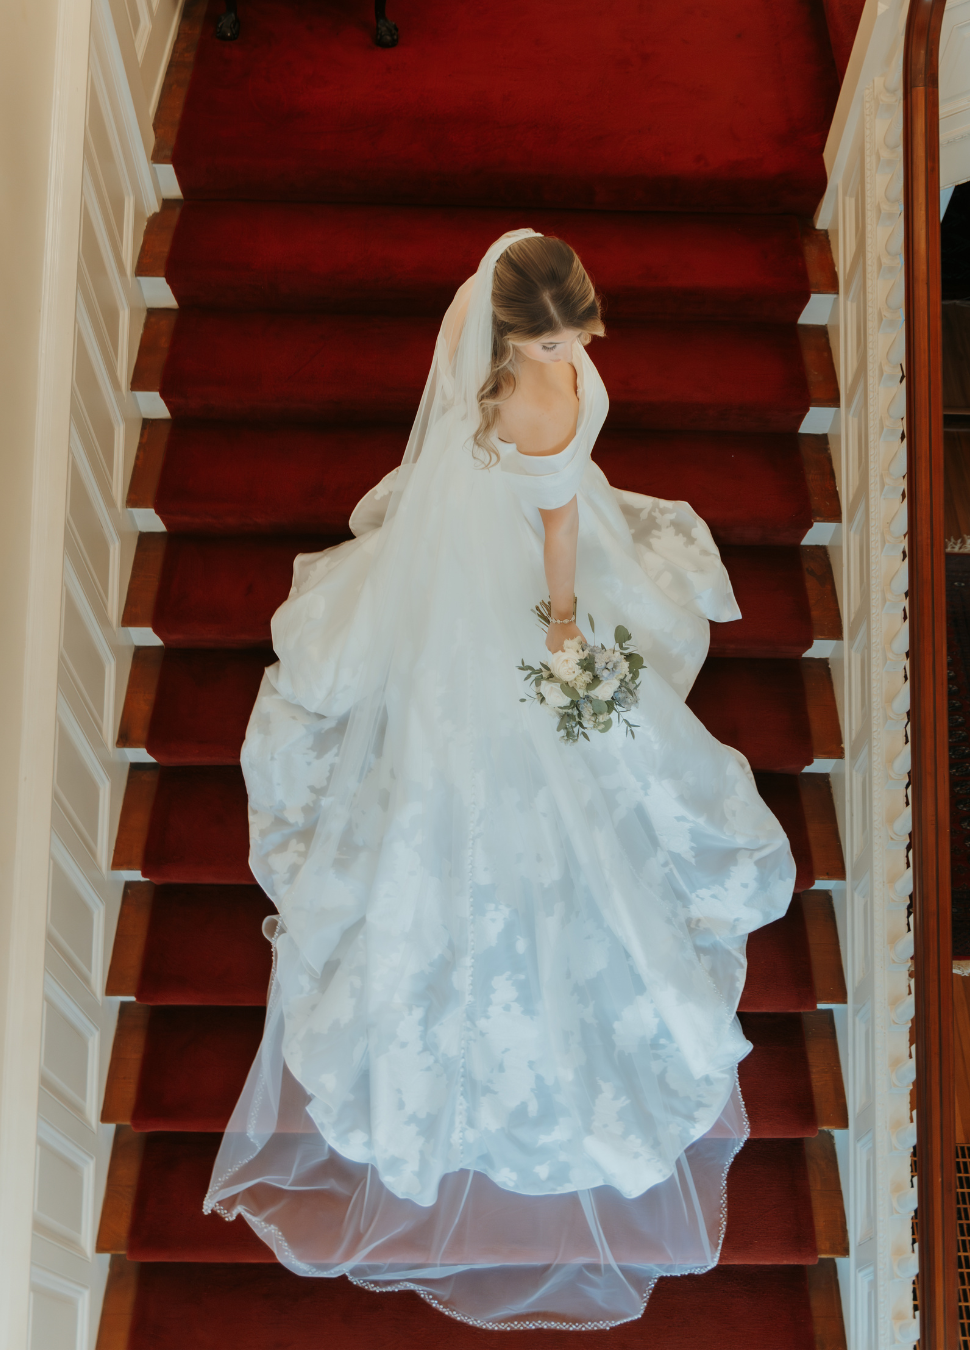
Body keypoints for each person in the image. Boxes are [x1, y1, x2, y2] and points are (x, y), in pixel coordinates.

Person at [204, 230, 796, 1330]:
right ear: (516, 333)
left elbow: (460, 422)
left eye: (579, 333)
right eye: (559, 340)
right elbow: (558, 526)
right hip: (531, 554)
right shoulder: (542, 407)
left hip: (479, 528)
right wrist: (563, 628)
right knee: (536, 781)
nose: (577, 350)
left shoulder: (486, 308)